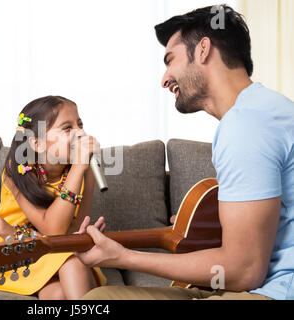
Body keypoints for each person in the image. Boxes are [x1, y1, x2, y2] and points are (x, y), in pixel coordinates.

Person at [75, 5, 294, 300]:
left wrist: (123, 257)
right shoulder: (268, 109)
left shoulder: (245, 124)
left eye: (170, 60)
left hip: (276, 291)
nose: (164, 79)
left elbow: (245, 269)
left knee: (100, 301)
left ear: (203, 50)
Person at [0, 95, 108, 300]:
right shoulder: (18, 171)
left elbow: (72, 233)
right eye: (68, 128)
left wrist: (87, 176)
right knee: (70, 265)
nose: (80, 133)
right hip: (15, 245)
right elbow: (53, 230)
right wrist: (79, 169)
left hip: (55, 248)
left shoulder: (79, 170)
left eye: (80, 125)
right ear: (37, 144)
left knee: (58, 291)